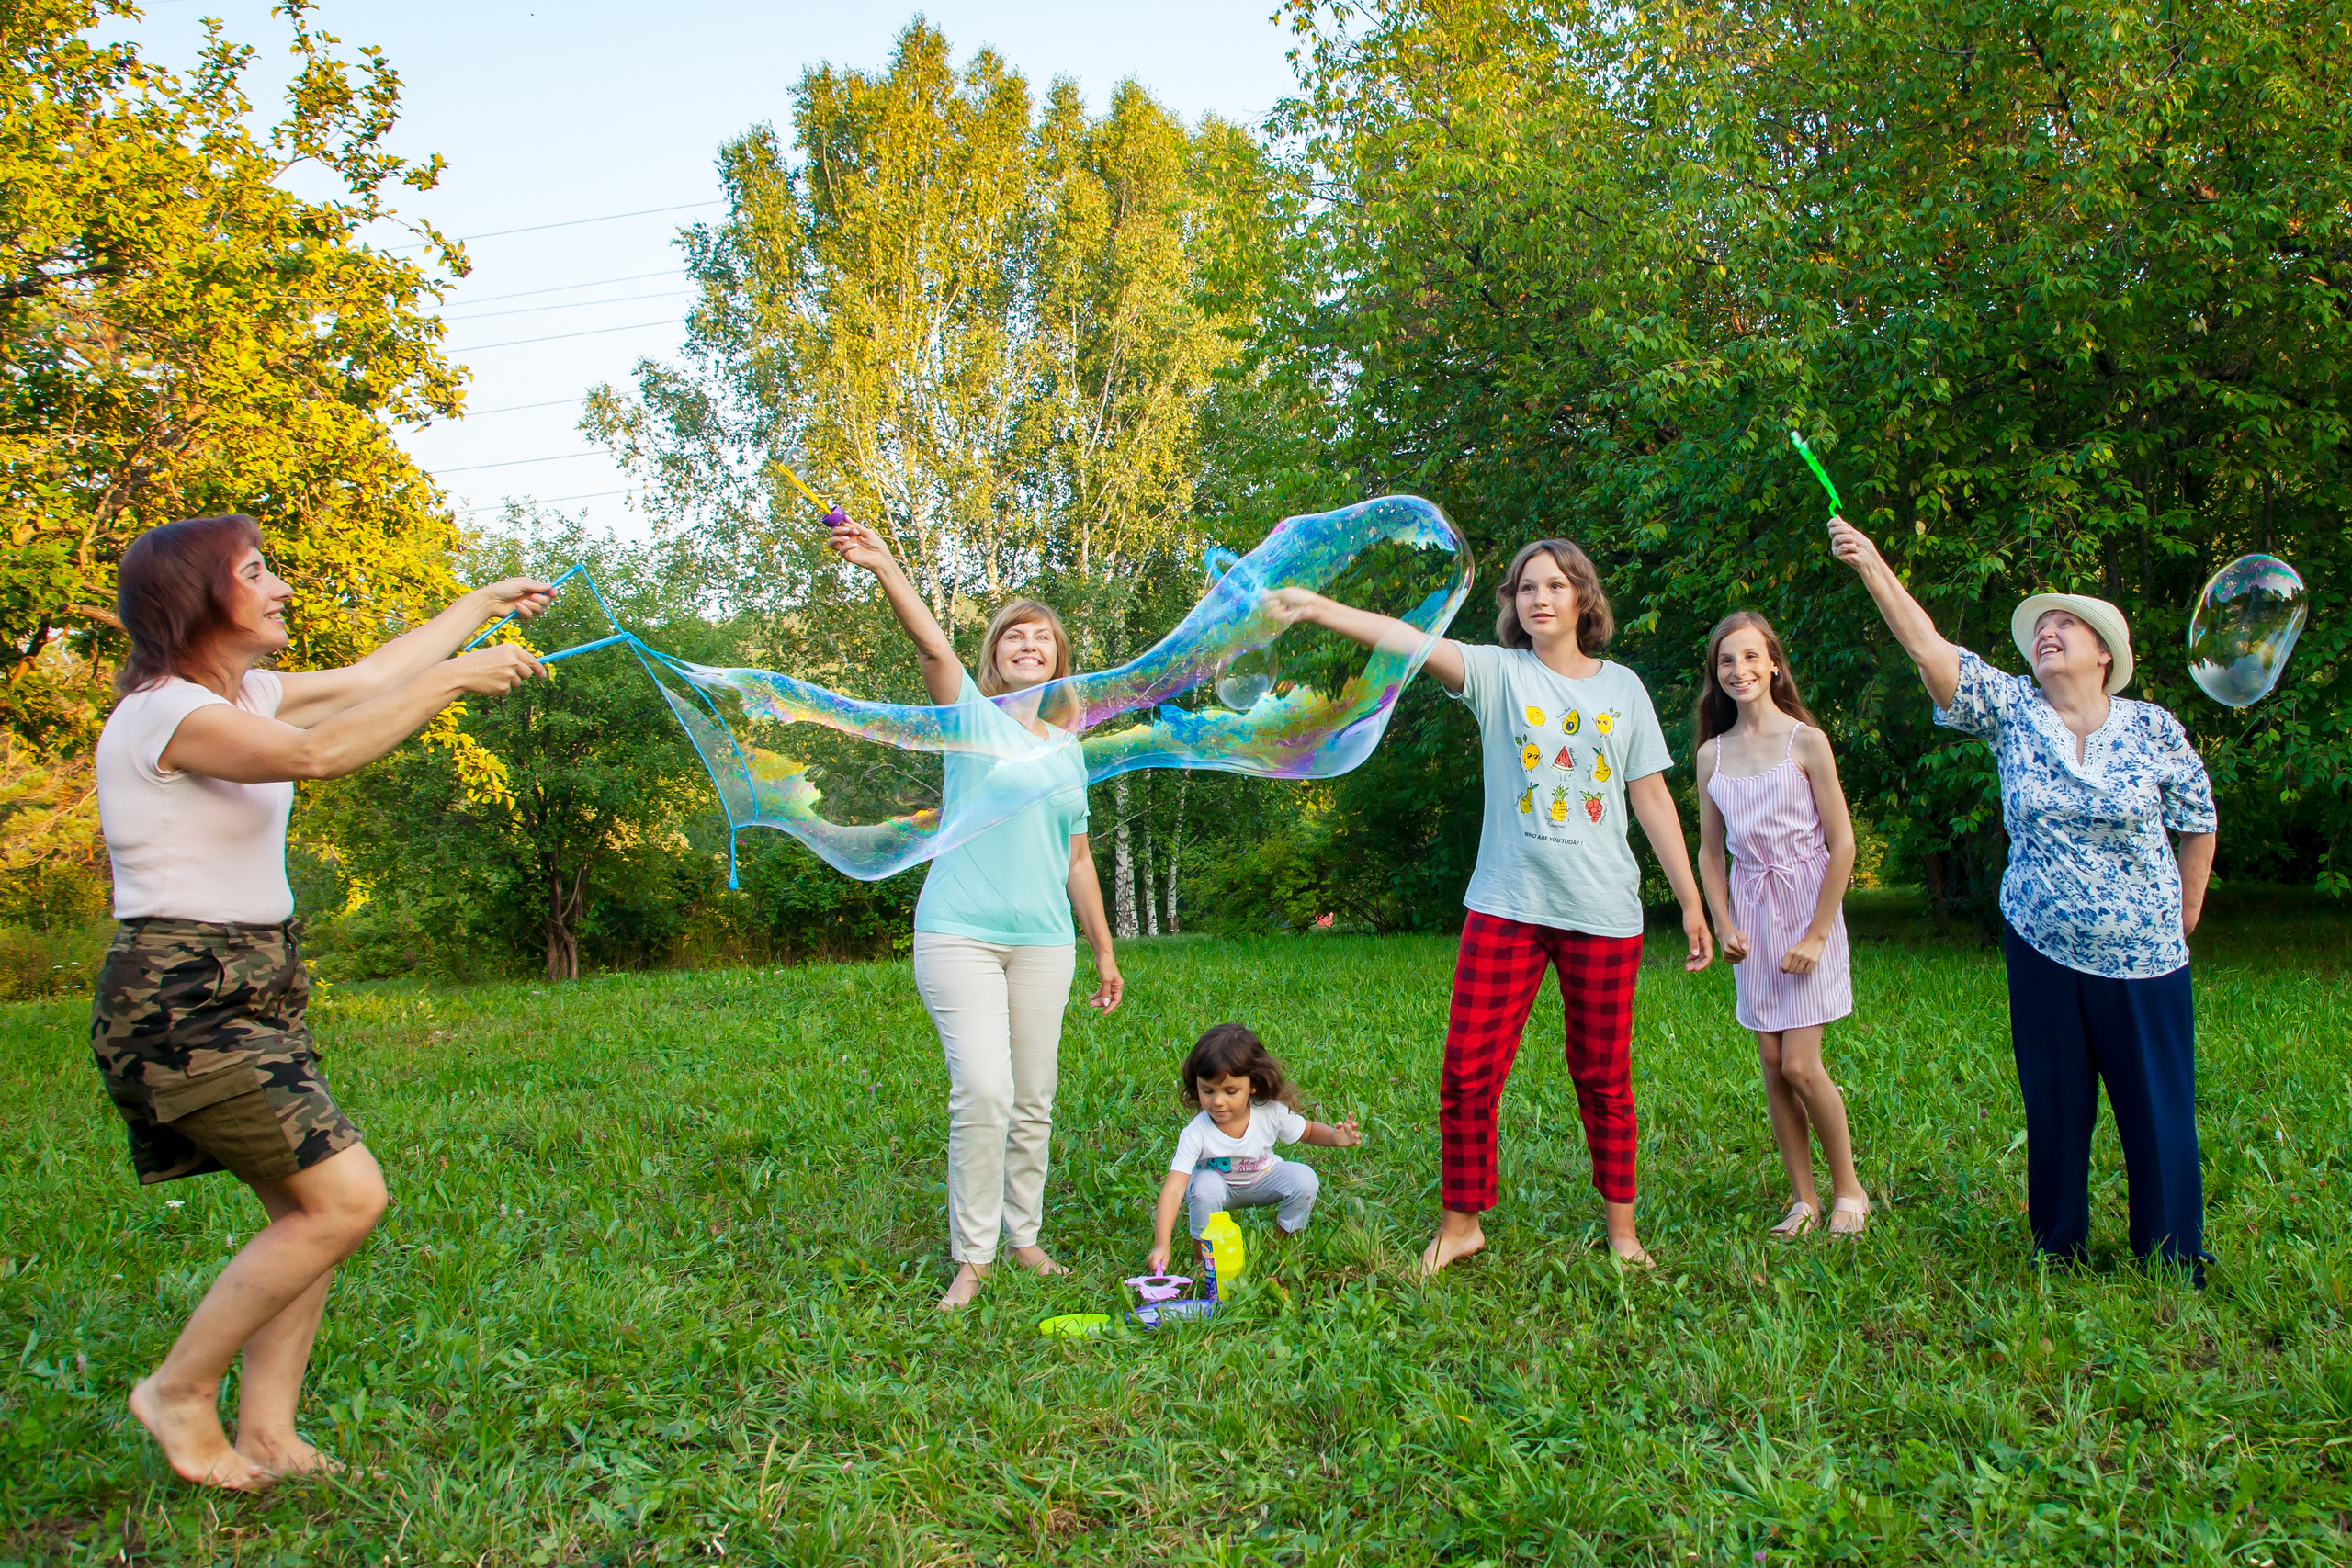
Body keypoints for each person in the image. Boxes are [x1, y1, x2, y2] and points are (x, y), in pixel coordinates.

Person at [91, 513, 550, 1491]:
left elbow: (369, 680)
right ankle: (177, 1391)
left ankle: (267, 1433)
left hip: (249, 984)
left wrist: (479, 608)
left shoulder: (244, 694)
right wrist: (456, 681)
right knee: (344, 1200)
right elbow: (317, 754)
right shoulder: (165, 715)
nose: (281, 587)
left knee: (303, 1210)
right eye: (256, 572)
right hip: (183, 998)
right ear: (195, 600)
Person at [1266, 537, 1714, 1274]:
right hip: (1506, 904)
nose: (1540, 597)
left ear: (1583, 599)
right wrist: (1317, 608)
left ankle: (1623, 1231)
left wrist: (1692, 902)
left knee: (1602, 1075)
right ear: (1512, 604)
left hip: (1603, 911)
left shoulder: (1624, 689)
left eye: (1556, 585)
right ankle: (1461, 1222)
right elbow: (1409, 640)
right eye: (1525, 587)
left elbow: (1653, 798)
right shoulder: (1499, 674)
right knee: (1468, 1071)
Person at [1829, 516, 2217, 1279]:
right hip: (2042, 947)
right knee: (2056, 1105)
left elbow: (2198, 818)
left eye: (2066, 623)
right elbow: (1928, 648)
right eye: (2041, 627)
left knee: (2160, 1114)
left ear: (2104, 652)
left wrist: (2186, 911)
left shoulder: (2152, 728)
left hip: (2147, 959)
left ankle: (2173, 1257)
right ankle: (2060, 1248)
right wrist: (1872, 563)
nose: (2048, 632)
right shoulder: (2013, 712)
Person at [825, 514, 1122, 1312]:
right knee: (985, 1088)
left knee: (1035, 1093)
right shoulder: (969, 719)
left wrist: (1103, 951)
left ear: (1059, 660)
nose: (1029, 645)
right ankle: (974, 1254)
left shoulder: (1067, 750)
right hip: (958, 931)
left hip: (1044, 942)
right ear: (993, 656)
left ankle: (1024, 1235)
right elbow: (929, 646)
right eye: (1014, 637)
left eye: (1043, 639)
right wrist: (885, 563)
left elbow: (1079, 857)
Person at [1692, 611, 1868, 1238]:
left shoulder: (1806, 742)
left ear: (1773, 664)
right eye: (1725, 662)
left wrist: (1819, 932)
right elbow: (1712, 855)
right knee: (1770, 1060)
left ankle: (1849, 1187)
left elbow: (1843, 843)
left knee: (1800, 1063)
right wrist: (1724, 920)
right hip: (1753, 914)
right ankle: (1804, 1200)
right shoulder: (1712, 755)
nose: (1739, 671)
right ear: (1716, 674)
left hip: (1806, 908)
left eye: (1749, 657)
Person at [1145, 1023, 1363, 1274]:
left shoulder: (1268, 1111)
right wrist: (1161, 1244)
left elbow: (1309, 1131)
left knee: (1305, 1179)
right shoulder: (1196, 1132)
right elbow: (1174, 1188)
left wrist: (1335, 1138)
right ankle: (1204, 1260)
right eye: (1207, 1090)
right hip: (1219, 1187)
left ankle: (1282, 1246)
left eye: (1230, 1091)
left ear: (1254, 1084)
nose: (1217, 1101)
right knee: (1204, 1187)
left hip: (1262, 1179)